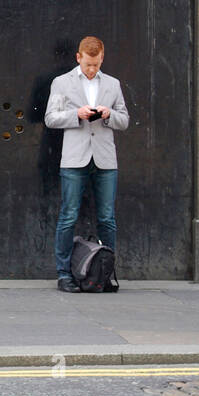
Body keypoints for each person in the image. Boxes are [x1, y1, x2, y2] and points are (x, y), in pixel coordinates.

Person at [44, 36, 129, 292]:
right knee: (68, 215)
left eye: (96, 63)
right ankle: (64, 274)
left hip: (104, 158)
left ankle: (105, 273)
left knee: (107, 218)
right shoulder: (62, 83)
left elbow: (124, 120)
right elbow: (50, 118)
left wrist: (108, 115)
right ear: (78, 57)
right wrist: (76, 115)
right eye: (88, 64)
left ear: (102, 58)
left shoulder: (112, 84)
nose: (92, 69)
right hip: (74, 157)